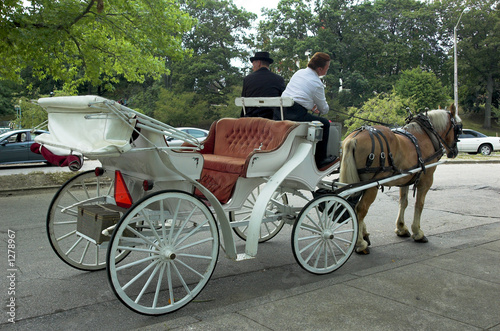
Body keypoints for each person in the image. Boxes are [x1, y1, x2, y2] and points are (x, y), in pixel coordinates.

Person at [277, 52, 335, 169]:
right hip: (296, 114)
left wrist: (310, 104)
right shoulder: (317, 83)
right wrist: (316, 107)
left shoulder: (299, 73)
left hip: (280, 112)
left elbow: (297, 95)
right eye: (327, 68)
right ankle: (321, 160)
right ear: (319, 69)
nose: (327, 70)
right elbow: (324, 109)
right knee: (324, 124)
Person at [241, 51, 286, 119]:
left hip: (251, 120)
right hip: (272, 120)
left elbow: (243, 101)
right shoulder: (279, 79)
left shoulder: (247, 79)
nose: (253, 68)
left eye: (253, 64)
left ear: (259, 63)